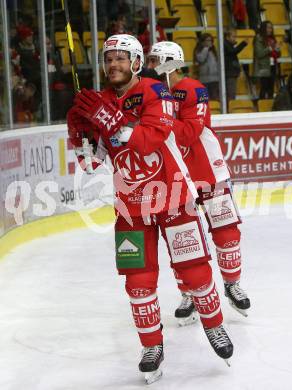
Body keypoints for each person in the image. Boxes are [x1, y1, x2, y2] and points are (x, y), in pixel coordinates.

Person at [66, 34, 233, 384]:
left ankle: (214, 326)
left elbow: (151, 139)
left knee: (196, 272)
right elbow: (92, 163)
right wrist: (80, 135)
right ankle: (151, 346)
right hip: (130, 207)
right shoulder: (98, 102)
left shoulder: (157, 92)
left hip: (172, 197)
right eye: (108, 58)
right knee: (138, 283)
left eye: (121, 58)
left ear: (137, 62)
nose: (114, 64)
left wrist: (110, 121)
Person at [147, 41, 251, 326]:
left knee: (225, 229)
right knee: (183, 240)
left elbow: (191, 131)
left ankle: (232, 284)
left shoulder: (193, 89)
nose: (152, 65)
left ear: (170, 61)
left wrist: (160, 122)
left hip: (208, 170)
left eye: (156, 60)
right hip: (175, 176)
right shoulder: (151, 94)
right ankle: (192, 293)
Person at [253, 20, 281, 99]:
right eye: (268, 28)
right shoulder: (258, 38)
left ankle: (270, 108)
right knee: (264, 88)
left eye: (271, 28)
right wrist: (270, 48)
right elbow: (259, 54)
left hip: (272, 66)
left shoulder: (272, 39)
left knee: (271, 89)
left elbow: (277, 54)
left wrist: (277, 50)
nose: (270, 30)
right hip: (263, 67)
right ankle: (262, 108)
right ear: (263, 28)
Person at [224, 27, 248, 101]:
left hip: (232, 73)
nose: (235, 38)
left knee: (232, 94)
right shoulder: (225, 44)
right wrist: (243, 44)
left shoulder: (228, 45)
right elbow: (232, 52)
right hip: (229, 73)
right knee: (231, 95)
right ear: (227, 37)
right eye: (233, 36)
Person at [194, 33, 219, 100]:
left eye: (210, 40)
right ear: (202, 42)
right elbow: (201, 59)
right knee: (206, 100)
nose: (209, 42)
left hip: (215, 79)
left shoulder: (213, 51)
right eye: (207, 40)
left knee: (215, 99)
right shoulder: (199, 50)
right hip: (204, 80)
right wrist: (206, 49)